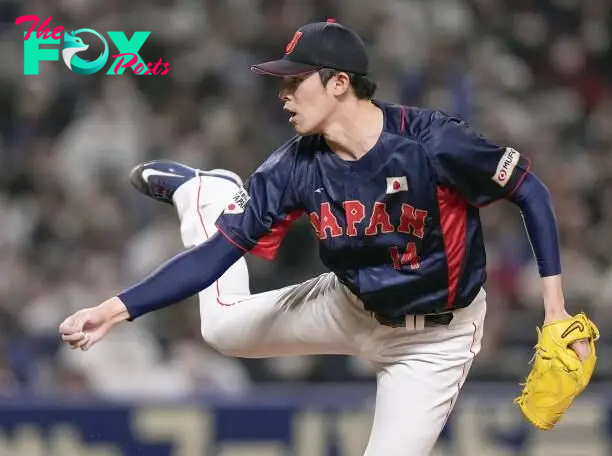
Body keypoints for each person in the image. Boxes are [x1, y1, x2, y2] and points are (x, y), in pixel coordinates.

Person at [59, 19, 591, 455]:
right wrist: (114, 309)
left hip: (433, 341)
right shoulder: (293, 166)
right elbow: (217, 256)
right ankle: (206, 195)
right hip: (348, 304)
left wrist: (554, 309)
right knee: (220, 330)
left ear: (340, 83)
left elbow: (530, 191)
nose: (283, 94)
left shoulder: (432, 143)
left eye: (296, 81)